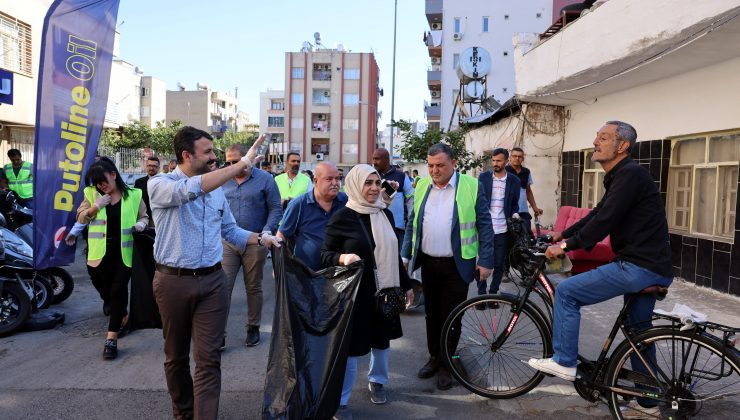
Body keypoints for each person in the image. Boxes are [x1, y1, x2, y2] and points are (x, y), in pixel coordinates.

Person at [528, 121, 673, 415]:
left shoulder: (630, 174)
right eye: (597, 136)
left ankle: (564, 361)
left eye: (604, 137)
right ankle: (649, 400)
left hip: (637, 266)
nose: (596, 141)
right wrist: (563, 234)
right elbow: (598, 214)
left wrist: (566, 247)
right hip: (653, 265)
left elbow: (604, 222)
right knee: (638, 335)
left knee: (567, 291)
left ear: (622, 146)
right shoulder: (622, 176)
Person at [148, 127, 281, 420]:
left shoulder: (217, 191)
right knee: (176, 358)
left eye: (214, 151)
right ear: (186, 155)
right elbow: (191, 189)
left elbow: (230, 230)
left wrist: (261, 238)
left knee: (209, 360)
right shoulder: (160, 184)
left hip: (212, 282)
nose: (214, 157)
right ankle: (183, 413)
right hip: (172, 282)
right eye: (207, 152)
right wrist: (242, 164)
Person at [321, 164, 413, 417]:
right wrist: (343, 258)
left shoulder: (384, 213)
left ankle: (378, 382)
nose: (373, 188)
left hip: (385, 289)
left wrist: (406, 285)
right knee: (352, 348)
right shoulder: (343, 217)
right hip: (355, 294)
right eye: (367, 183)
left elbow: (393, 255)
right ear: (354, 185)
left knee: (381, 341)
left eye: (376, 182)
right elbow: (324, 255)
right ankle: (340, 401)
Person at [401, 143, 494, 390]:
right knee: (432, 314)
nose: (434, 170)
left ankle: (447, 363)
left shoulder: (472, 186)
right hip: (429, 264)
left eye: (440, 165)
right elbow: (413, 223)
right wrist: (405, 256)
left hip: (458, 265)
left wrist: (486, 260)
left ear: (454, 163)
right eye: (430, 166)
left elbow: (485, 225)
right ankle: (434, 357)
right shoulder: (421, 186)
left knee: (452, 316)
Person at [76, 157, 148, 359]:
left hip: (123, 255)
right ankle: (121, 314)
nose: (101, 186)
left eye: (104, 181)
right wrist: (95, 206)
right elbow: (81, 217)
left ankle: (111, 339)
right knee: (106, 291)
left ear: (114, 175)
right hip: (98, 255)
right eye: (97, 183)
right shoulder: (91, 194)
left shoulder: (134, 195)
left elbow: (144, 216)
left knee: (118, 291)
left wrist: (141, 224)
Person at [221, 144, 282, 348]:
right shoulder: (222, 179)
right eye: (228, 162)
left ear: (248, 158)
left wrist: (266, 231)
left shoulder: (265, 179)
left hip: (256, 241)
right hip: (227, 243)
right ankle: (218, 332)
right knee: (222, 287)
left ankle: (253, 326)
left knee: (253, 286)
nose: (232, 165)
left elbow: (275, 208)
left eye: (236, 161)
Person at [277, 162, 345, 271]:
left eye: (337, 178)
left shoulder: (346, 202)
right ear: (316, 181)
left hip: (340, 275)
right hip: (306, 275)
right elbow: (281, 236)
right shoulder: (298, 204)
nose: (335, 183)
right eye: (329, 179)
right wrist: (279, 265)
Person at [477, 148, 520, 297]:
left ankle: (493, 293)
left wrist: (515, 214)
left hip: (502, 228)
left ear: (506, 161)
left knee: (499, 263)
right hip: (485, 228)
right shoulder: (483, 178)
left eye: (498, 161)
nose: (495, 163)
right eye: (493, 161)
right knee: (483, 261)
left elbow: (515, 203)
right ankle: (482, 295)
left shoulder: (514, 181)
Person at [372, 148, 414, 243]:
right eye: (373, 159)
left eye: (377, 159)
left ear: (386, 159)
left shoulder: (401, 176)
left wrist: (410, 222)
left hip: (397, 227)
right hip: (376, 226)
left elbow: (411, 199)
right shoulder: (372, 175)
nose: (374, 162)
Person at [506, 147, 543, 234]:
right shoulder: (505, 171)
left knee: (526, 237)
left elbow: (528, 191)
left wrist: (535, 207)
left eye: (519, 156)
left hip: (523, 211)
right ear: (510, 158)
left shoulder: (526, 172)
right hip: (509, 211)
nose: (517, 158)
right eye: (514, 156)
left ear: (523, 158)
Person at [134, 156, 160, 227]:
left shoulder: (163, 182)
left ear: (158, 168)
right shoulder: (139, 182)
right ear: (146, 166)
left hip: (159, 219)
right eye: (149, 165)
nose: (151, 168)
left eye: (154, 166)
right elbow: (136, 200)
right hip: (143, 220)